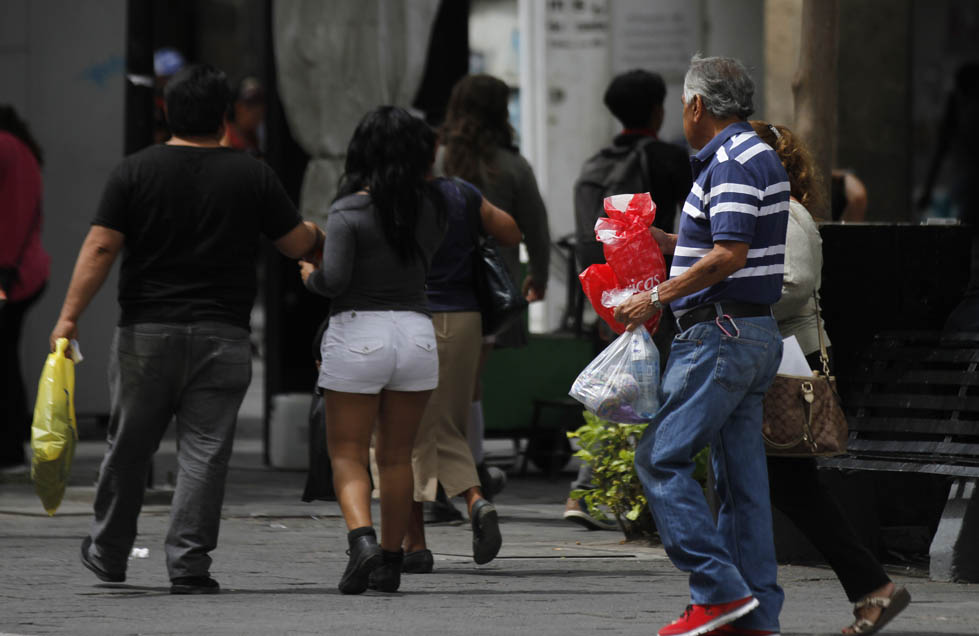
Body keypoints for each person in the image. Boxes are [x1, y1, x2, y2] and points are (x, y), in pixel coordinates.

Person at [50, 64, 323, 595]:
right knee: (205, 452)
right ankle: (189, 564)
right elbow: (296, 244)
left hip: (146, 334)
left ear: (167, 113)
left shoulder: (134, 172)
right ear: (224, 117)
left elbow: (102, 247)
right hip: (223, 337)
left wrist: (69, 315)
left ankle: (108, 552)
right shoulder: (253, 174)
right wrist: (318, 231)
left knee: (129, 445)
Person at [614, 55, 789, 636]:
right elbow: (718, 242)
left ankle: (716, 593)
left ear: (695, 106)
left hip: (720, 334)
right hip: (746, 332)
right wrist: (664, 238)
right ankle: (756, 614)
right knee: (740, 483)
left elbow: (728, 255)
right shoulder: (748, 156)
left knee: (659, 456)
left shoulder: (734, 160)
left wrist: (656, 296)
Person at [750, 121, 911, 636]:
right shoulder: (760, 212)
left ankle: (874, 588)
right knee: (785, 489)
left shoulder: (790, 214)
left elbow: (794, 288)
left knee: (793, 489)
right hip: (766, 360)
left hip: (788, 364)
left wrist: (724, 299)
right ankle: (871, 588)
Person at [300, 106, 448, 595]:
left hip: (358, 331)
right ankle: (390, 559)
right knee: (397, 456)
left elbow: (336, 279)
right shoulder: (433, 206)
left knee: (347, 452)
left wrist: (309, 276)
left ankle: (360, 541)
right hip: (416, 332)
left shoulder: (349, 210)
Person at [565, 69, 693, 530]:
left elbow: (588, 239)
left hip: (607, 296)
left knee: (614, 389)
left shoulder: (594, 166)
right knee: (655, 391)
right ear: (659, 110)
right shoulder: (671, 159)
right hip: (660, 297)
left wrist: (604, 300)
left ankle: (585, 490)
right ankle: (623, 496)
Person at [438, 73, 551, 495]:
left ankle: (451, 476)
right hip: (485, 294)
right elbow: (536, 228)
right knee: (469, 385)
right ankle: (473, 471)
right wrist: (537, 277)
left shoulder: (435, 159)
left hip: (431, 291)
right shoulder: (512, 166)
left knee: (438, 386)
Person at [402, 178, 521, 573]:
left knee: (406, 430)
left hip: (409, 315)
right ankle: (472, 501)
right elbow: (509, 230)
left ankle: (417, 539)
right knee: (442, 425)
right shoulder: (461, 192)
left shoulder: (386, 194)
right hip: (464, 319)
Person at [0, 105, 50, 472]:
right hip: (21, 273)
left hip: (7, 276)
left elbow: (9, 219)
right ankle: (12, 441)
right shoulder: (21, 150)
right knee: (5, 358)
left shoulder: (4, 147)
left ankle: (8, 447)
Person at [223, 76, 266, 157]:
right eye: (251, 104)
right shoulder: (225, 136)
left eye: (260, 103)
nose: (257, 111)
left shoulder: (255, 138)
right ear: (238, 107)